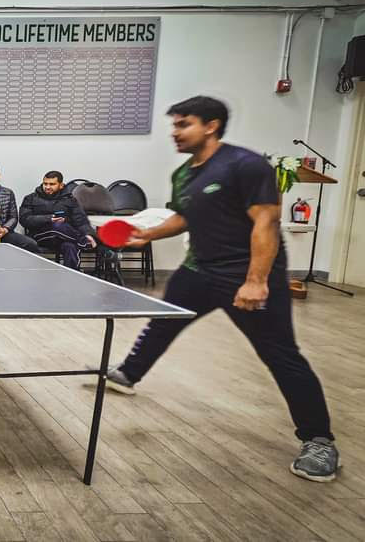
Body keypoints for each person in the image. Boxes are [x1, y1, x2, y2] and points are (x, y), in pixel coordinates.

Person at [104, 96, 338, 482]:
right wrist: (148, 234)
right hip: (198, 270)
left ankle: (319, 440)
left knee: (280, 354)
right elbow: (185, 216)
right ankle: (129, 373)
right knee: (163, 322)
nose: (175, 132)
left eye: (184, 124)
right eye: (175, 125)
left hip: (246, 274)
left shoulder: (245, 165)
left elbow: (266, 223)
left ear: (211, 126)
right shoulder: (184, 174)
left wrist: (256, 281)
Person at [19, 171, 96, 269]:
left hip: (65, 236)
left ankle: (71, 274)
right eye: (45, 183)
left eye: (52, 184)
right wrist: (49, 219)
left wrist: (88, 234)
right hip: (39, 236)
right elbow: (24, 219)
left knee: (70, 246)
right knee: (56, 225)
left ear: (61, 185)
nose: (47, 187)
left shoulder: (70, 199)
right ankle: (84, 242)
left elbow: (80, 220)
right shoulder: (31, 198)